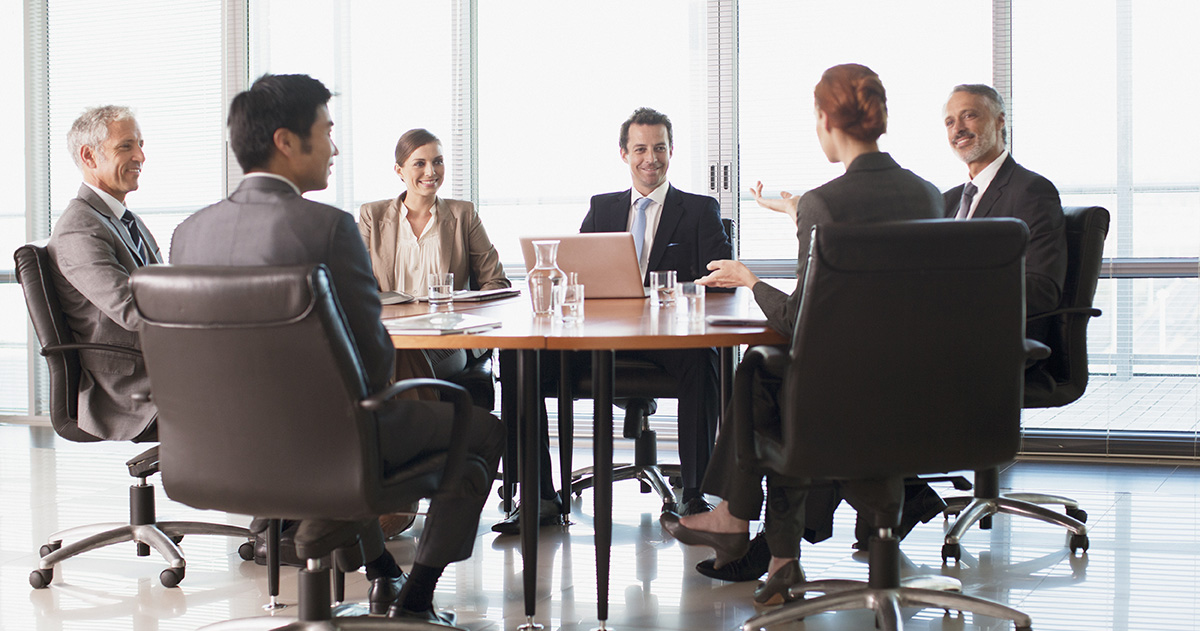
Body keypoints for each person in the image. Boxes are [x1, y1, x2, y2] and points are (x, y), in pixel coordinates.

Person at [169, 73, 504, 625]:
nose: (335, 147)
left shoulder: (189, 232)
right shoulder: (328, 228)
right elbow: (374, 366)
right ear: (286, 141)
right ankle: (415, 597)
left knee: (339, 430)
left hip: (217, 447)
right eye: (326, 131)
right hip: (321, 442)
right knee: (480, 428)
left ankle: (375, 565)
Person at [659, 63, 945, 604]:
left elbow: (801, 321)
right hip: (917, 394)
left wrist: (750, 279)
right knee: (771, 376)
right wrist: (795, 211)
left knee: (763, 372)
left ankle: (741, 521)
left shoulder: (825, 203)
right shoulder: (929, 196)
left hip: (843, 403)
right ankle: (774, 553)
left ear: (825, 119)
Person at [492, 107, 733, 535]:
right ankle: (539, 497)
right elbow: (576, 274)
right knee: (517, 359)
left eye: (659, 148)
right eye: (640, 149)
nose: (650, 159)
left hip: (668, 343)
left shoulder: (698, 211)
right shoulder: (602, 209)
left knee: (703, 360)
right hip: (598, 341)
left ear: (671, 151)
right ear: (624, 153)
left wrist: (675, 292)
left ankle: (694, 495)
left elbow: (723, 282)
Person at [47, 105, 161, 442]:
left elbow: (160, 289)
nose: (140, 155)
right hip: (127, 387)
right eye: (126, 146)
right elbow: (130, 309)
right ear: (89, 156)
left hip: (158, 364)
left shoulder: (127, 220)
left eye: (140, 144)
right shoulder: (79, 227)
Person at [358, 128, 509, 381]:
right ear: (399, 171)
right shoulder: (372, 215)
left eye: (437, 161)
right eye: (420, 163)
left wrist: (460, 312)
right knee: (393, 361)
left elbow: (496, 283)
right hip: (391, 336)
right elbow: (358, 285)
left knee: (395, 369)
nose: (431, 171)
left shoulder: (463, 214)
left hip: (448, 339)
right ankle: (426, 420)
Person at [943, 83, 1067, 350]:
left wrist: (958, 295)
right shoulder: (948, 201)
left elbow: (1043, 289)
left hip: (995, 342)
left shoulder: (1030, 190)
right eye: (950, 122)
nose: (957, 129)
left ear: (1000, 120)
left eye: (969, 115)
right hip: (945, 334)